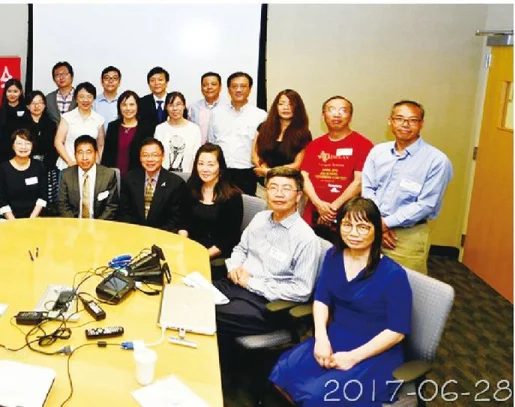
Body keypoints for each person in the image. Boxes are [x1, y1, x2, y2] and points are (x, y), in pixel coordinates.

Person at [270, 197, 413, 407]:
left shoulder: (394, 275)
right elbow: (321, 299)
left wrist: (353, 357)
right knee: (283, 370)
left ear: (376, 230)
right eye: (347, 225)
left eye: (362, 227)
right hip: (335, 337)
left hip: (374, 351)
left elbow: (397, 331)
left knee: (320, 396)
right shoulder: (334, 256)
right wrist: (321, 338)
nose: (353, 233)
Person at [217, 167, 322, 337]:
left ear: (298, 196)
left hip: (266, 303)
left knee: (208, 312)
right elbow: (241, 249)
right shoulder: (260, 218)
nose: (279, 194)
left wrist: (251, 283)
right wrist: (234, 267)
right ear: (266, 192)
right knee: (194, 296)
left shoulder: (306, 239)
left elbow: (301, 290)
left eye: (286, 189)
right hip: (234, 284)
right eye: (273, 187)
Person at [361, 100, 453, 274]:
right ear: (390, 121)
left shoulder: (437, 161)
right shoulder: (378, 152)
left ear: (421, 124)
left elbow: (426, 205)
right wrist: (378, 223)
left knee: (405, 285)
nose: (405, 124)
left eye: (412, 120)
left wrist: (384, 224)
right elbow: (368, 188)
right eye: (399, 118)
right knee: (366, 281)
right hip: (372, 228)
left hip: (407, 236)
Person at [301, 96, 374, 242]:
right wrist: (318, 204)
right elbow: (304, 176)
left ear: (350, 116)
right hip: (313, 214)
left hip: (346, 217)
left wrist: (332, 209)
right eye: (331, 110)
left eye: (343, 110)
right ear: (323, 116)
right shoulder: (315, 145)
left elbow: (359, 181)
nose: (337, 114)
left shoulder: (363, 144)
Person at [177, 144, 243, 281]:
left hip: (216, 256)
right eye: (201, 164)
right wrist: (185, 246)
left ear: (220, 167)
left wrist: (201, 256)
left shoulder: (232, 196)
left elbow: (229, 239)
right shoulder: (191, 188)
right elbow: (183, 222)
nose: (205, 169)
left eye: (210, 165)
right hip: (190, 248)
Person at [208, 71, 267, 196]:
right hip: (221, 172)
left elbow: (263, 147)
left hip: (247, 173)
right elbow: (212, 143)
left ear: (250, 89)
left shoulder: (261, 116)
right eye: (234, 86)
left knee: (246, 205)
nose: (238, 90)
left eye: (243, 86)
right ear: (228, 89)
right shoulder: (216, 113)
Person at [118, 138, 184, 232]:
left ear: (163, 156)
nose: (150, 159)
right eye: (145, 155)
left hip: (162, 235)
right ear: (140, 157)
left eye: (154, 155)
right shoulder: (130, 178)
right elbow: (124, 211)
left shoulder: (176, 183)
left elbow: (175, 218)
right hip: (133, 233)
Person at [251, 89, 312, 189]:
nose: (285, 107)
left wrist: (269, 172)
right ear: (276, 106)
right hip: (263, 185)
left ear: (297, 108)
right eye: (281, 104)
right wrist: (263, 168)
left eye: (291, 104)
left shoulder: (304, 133)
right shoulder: (263, 127)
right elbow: (254, 155)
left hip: (289, 185)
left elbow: (297, 164)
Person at [58, 135, 119, 220]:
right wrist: (74, 225)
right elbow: (63, 205)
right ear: (75, 155)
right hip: (73, 224)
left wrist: (96, 225)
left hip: (100, 224)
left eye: (89, 152)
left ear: (96, 154)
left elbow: (111, 207)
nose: (84, 158)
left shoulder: (108, 175)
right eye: (80, 152)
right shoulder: (66, 175)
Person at [0, 129, 49, 220]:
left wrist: (31, 219)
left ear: (32, 146)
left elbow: (43, 196)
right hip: (10, 219)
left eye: (27, 143)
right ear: (13, 146)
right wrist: (13, 222)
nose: (23, 147)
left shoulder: (39, 166)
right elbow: (1, 199)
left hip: (35, 217)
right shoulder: (4, 168)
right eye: (19, 143)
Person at [53, 82, 106, 170]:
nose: (85, 100)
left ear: (93, 99)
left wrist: (99, 164)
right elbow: (58, 142)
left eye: (89, 96)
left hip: (91, 167)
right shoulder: (67, 117)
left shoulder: (99, 119)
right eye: (81, 97)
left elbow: (100, 145)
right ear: (76, 99)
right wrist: (69, 162)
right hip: (68, 166)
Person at [101, 90, 155, 175]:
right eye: (124, 105)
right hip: (113, 176)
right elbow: (106, 155)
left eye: (132, 104)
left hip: (137, 177)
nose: (128, 108)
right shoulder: (113, 126)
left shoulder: (147, 128)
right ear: (119, 107)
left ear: (138, 106)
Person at [25, 90, 60, 214]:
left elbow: (53, 147)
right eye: (33, 103)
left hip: (47, 165)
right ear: (27, 106)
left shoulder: (50, 124)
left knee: (47, 200)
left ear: (44, 105)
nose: (37, 106)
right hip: (26, 164)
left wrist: (47, 163)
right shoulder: (21, 123)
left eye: (40, 102)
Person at [153, 92, 202, 173]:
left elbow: (196, 156)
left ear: (184, 106)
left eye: (178, 104)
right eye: (171, 105)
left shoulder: (194, 129)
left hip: (187, 175)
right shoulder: (160, 129)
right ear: (166, 107)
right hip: (164, 176)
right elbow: (156, 155)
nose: (175, 108)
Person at [0, 78, 30, 161]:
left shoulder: (27, 110)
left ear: (20, 92)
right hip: (3, 153)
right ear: (5, 92)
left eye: (15, 91)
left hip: (22, 150)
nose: (12, 94)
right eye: (9, 91)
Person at [188, 72, 223, 144]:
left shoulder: (228, 107)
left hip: (223, 150)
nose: (209, 87)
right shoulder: (193, 108)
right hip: (199, 149)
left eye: (213, 84)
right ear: (201, 88)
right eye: (205, 85)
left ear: (220, 87)